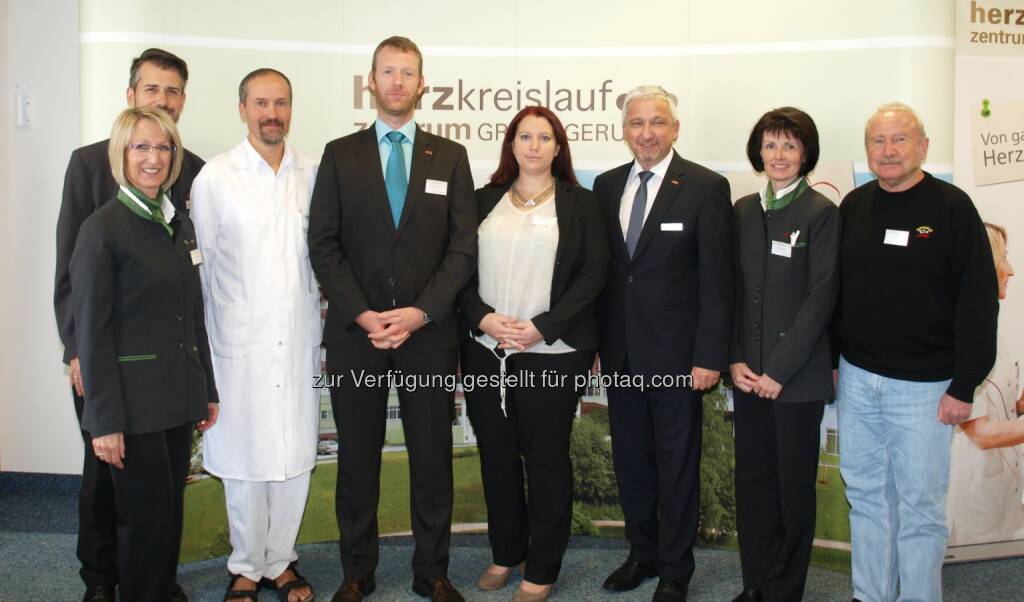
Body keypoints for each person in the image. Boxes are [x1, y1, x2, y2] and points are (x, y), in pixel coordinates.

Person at [308, 36, 476, 602]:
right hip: (359, 337)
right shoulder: (339, 154)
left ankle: (432, 572)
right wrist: (364, 315)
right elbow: (324, 246)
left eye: (408, 73)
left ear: (422, 84)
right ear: (371, 82)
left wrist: (421, 312)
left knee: (432, 460)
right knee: (357, 460)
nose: (398, 82)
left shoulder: (449, 157)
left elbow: (461, 249)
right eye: (388, 72)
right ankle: (358, 572)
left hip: (428, 337)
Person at [53, 47, 204, 602]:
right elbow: (74, 278)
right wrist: (78, 355)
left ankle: (151, 581)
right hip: (104, 364)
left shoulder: (191, 173)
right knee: (105, 482)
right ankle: (100, 579)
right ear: (131, 95)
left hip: (166, 373)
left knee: (157, 498)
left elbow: (188, 289)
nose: (152, 156)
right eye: (152, 90)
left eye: (173, 92)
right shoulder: (91, 169)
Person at [833, 102, 998, 601]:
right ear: (867, 151)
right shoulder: (854, 207)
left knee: (920, 508)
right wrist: (833, 364)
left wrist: (964, 383)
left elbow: (977, 300)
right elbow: (835, 293)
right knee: (865, 499)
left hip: (927, 389)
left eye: (899, 139)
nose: (888, 151)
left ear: (923, 146)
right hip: (858, 379)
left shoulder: (952, 208)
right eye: (878, 141)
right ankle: (870, 595)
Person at [459, 106, 608, 602]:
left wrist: (541, 328)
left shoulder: (581, 204)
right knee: (496, 456)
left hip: (555, 351)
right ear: (511, 144)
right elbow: (454, 269)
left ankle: (542, 567)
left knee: (545, 459)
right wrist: (482, 317)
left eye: (545, 137)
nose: (534, 145)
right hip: (487, 349)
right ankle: (506, 552)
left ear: (559, 147)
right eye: (525, 136)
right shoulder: (482, 201)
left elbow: (592, 277)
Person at [596, 85, 734, 602]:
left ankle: (676, 568)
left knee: (677, 466)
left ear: (675, 129)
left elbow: (717, 281)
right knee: (632, 461)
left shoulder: (704, 186)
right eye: (636, 123)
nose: (646, 133)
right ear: (624, 129)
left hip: (680, 358)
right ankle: (642, 552)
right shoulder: (607, 186)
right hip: (621, 354)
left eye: (657, 123)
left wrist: (708, 356)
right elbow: (607, 276)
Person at [190, 68, 319, 602]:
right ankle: (245, 566)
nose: (273, 113)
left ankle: (281, 562)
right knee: (244, 461)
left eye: (282, 103)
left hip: (298, 340)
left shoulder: (312, 173)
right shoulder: (215, 178)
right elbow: (201, 271)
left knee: (293, 457)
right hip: (237, 346)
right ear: (242, 108)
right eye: (262, 103)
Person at [729, 107, 839, 602]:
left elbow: (821, 300)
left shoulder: (821, 213)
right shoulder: (744, 211)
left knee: (792, 491)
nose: (779, 155)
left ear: (806, 154)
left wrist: (778, 371)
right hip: (748, 377)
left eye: (789, 146)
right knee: (753, 485)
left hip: (795, 381)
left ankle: (784, 591)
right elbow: (731, 292)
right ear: (759, 152)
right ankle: (755, 583)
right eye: (770, 145)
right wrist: (735, 360)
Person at [946, 222, 1024, 546]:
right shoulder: (960, 334)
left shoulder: (990, 329)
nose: (1011, 269)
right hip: (973, 501)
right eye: (1003, 256)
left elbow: (1006, 406)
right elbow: (979, 433)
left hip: (1005, 490)